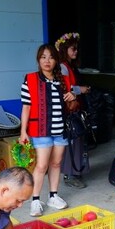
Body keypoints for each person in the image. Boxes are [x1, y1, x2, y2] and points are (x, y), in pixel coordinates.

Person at [19, 44, 77, 217]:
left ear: (56, 60)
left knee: (56, 163)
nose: (47, 61)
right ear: (38, 59)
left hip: (60, 129)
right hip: (40, 129)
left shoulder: (64, 81)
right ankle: (35, 200)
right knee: (42, 165)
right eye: (43, 57)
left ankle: (53, 196)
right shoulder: (30, 79)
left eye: (51, 57)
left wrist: (73, 97)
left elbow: (71, 106)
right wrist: (23, 131)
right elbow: (26, 107)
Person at [56, 32, 89, 189]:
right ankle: (70, 175)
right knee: (73, 142)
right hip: (69, 112)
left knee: (77, 141)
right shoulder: (62, 66)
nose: (76, 51)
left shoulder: (70, 66)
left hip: (74, 109)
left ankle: (75, 172)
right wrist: (81, 90)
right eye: (73, 49)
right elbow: (65, 88)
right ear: (65, 49)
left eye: (76, 49)